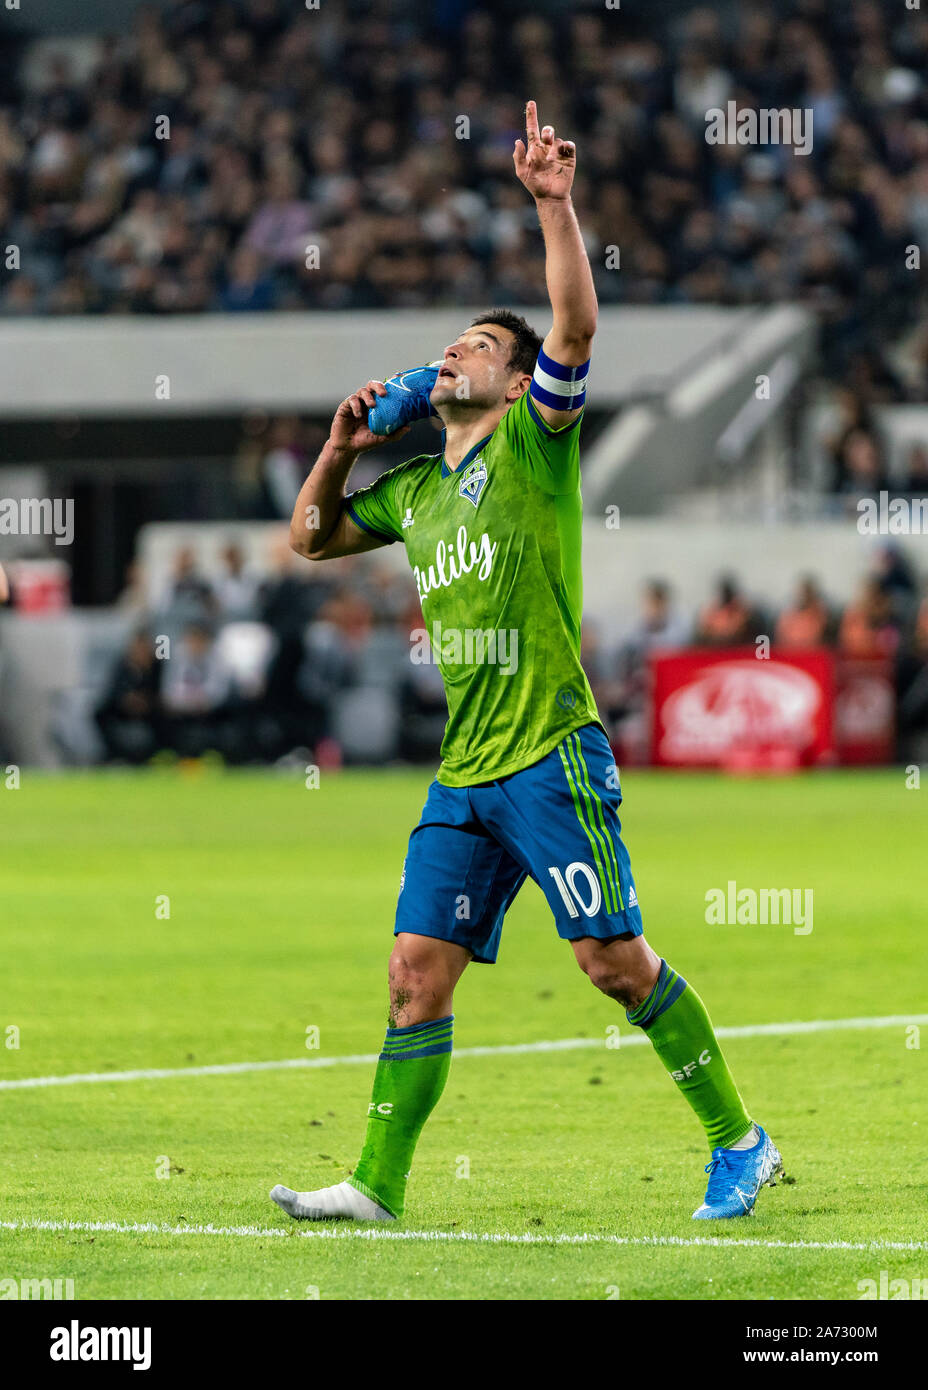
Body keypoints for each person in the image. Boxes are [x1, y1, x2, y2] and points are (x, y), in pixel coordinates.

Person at [272, 102, 782, 1227]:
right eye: (451, 340)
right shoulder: (409, 489)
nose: (457, 350)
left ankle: (739, 1140)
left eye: (481, 346)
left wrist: (554, 205)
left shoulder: (531, 444)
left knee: (611, 962)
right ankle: (375, 1181)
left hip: (550, 748)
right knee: (415, 968)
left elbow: (576, 330)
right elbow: (305, 542)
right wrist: (338, 449)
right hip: (466, 769)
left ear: (511, 384)